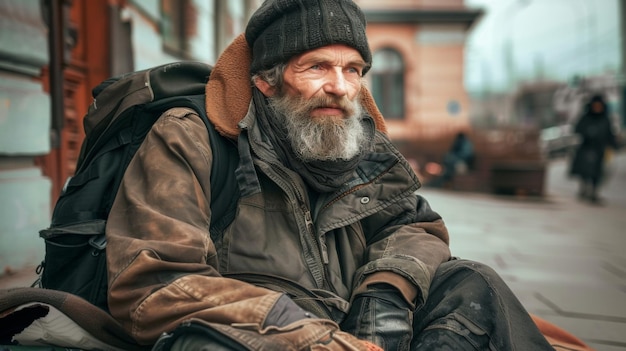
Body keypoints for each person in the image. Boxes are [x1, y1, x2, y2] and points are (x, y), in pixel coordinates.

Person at [104, 0, 555, 350]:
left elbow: (415, 226)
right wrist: (305, 335)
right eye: (317, 66)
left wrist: (386, 295)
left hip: (355, 326)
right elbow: (152, 284)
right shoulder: (191, 138)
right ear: (267, 79)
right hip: (260, 334)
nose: (340, 86)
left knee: (473, 283)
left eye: (353, 69)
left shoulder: (361, 143)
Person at [569, 93, 618, 204]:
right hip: (586, 148)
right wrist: (589, 133)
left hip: (599, 150)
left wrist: (614, 145)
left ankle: (594, 192)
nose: (597, 108)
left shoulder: (605, 119)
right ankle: (584, 189)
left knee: (597, 173)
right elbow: (578, 129)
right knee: (586, 171)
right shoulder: (586, 117)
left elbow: (609, 133)